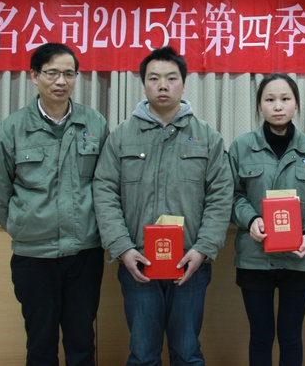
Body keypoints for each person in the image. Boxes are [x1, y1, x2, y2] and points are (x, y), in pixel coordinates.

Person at [92, 45, 233, 366]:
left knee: (187, 352)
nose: (163, 85)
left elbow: (221, 195)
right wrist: (122, 248)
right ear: (143, 84)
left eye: (171, 78)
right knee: (143, 354)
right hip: (139, 262)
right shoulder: (122, 136)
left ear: (183, 83)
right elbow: (104, 191)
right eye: (154, 78)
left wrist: (203, 249)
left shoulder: (206, 137)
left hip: (189, 262)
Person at [0, 42, 109, 366]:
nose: (61, 81)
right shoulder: (12, 129)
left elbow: (107, 184)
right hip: (34, 256)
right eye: (52, 73)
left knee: (82, 340)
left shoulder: (94, 123)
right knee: (40, 343)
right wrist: (23, 225)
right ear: (34, 76)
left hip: (84, 253)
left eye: (68, 74)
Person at [229, 73, 305, 366]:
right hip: (254, 258)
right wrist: (250, 220)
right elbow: (232, 196)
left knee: (291, 336)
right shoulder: (241, 146)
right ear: (259, 105)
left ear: (296, 103)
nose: (278, 106)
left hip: (299, 258)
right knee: (260, 336)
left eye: (285, 99)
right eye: (270, 99)